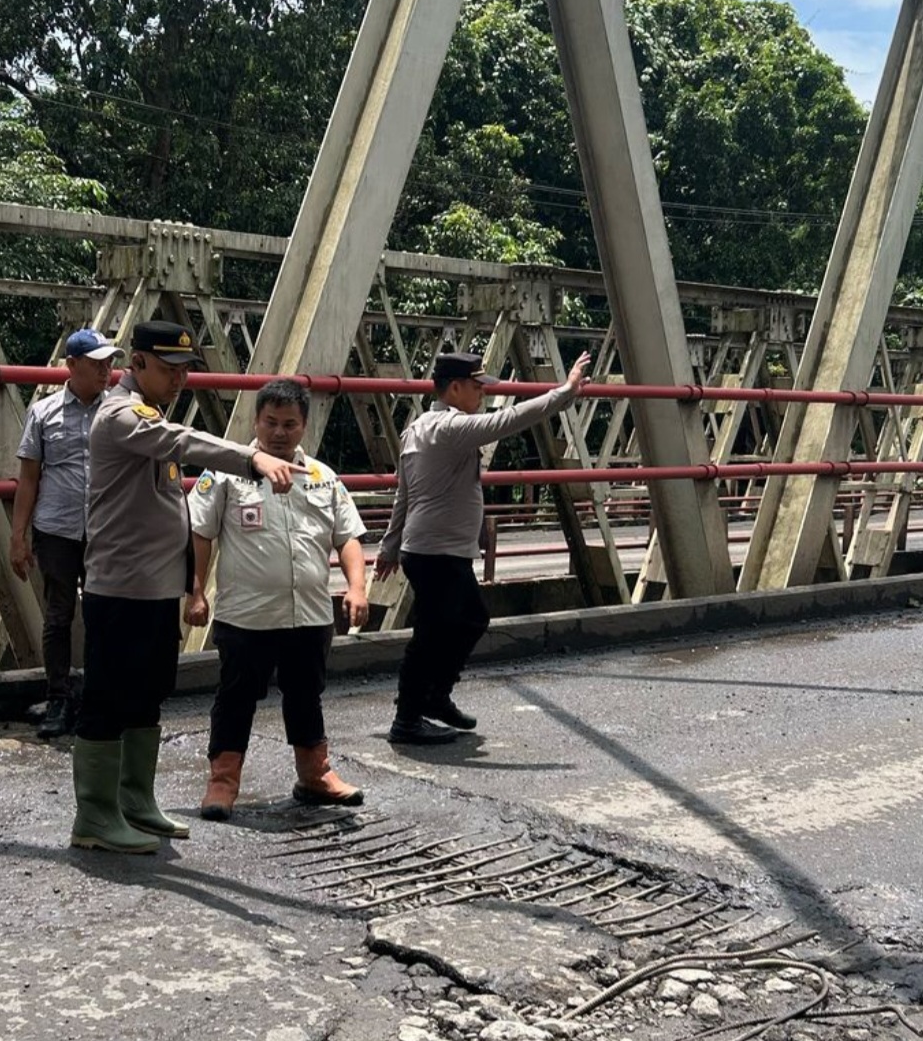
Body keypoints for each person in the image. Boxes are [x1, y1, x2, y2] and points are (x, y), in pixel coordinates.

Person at [70, 320, 298, 854]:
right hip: (120, 586)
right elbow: (182, 441)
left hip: (153, 587)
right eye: (169, 370)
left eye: (185, 370)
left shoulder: (149, 412)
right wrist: (251, 457)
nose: (179, 380)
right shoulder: (120, 414)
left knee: (147, 693)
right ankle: (95, 817)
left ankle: (135, 801)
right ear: (138, 363)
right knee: (107, 695)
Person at [375, 348, 592, 745]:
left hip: (430, 550)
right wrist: (566, 392)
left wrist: (390, 547)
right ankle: (409, 718)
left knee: (462, 622)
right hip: (437, 552)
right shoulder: (451, 428)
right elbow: (509, 420)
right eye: (477, 387)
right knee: (436, 632)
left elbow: (403, 496)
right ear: (455, 388)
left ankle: (433, 698)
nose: (483, 396)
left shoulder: (418, 428)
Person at [184, 379, 369, 820]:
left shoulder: (324, 478)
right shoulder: (225, 473)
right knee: (236, 696)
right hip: (246, 615)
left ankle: (314, 774)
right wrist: (194, 591)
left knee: (306, 693)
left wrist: (358, 587)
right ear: (256, 421)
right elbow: (199, 533)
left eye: (290, 423)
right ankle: (222, 782)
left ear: (304, 425)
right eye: (271, 422)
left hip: (308, 612)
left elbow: (348, 538)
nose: (279, 432)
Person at [10, 328, 123, 737]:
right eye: (97, 364)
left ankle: (97, 696)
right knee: (58, 615)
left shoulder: (121, 411)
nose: (106, 371)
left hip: (106, 530)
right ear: (72, 366)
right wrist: (17, 536)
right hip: (56, 527)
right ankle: (59, 698)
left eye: (110, 363)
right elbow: (28, 478)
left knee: (103, 614)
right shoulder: (43, 413)